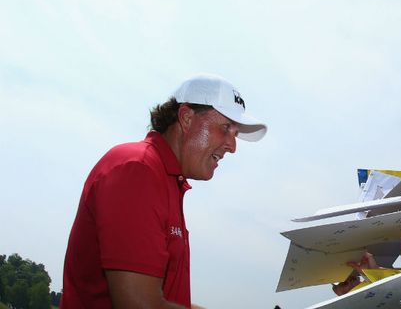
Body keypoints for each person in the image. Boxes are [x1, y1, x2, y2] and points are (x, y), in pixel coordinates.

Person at [61, 74, 267, 309]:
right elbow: (139, 305)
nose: (233, 146)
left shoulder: (165, 180)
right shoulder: (137, 170)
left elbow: (163, 299)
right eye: (226, 127)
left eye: (236, 133)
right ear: (187, 118)